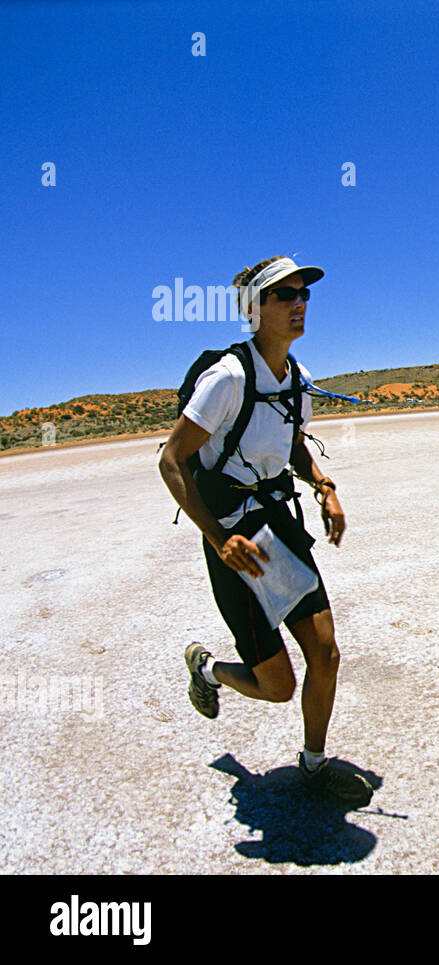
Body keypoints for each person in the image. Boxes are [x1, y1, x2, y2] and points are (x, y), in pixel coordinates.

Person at [158, 255, 371, 804]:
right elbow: (172, 460)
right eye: (285, 295)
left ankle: (314, 765)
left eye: (304, 294)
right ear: (254, 309)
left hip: (278, 526)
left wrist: (324, 486)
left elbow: (292, 443)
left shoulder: (296, 379)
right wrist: (217, 537)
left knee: (324, 651)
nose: (299, 303)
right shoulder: (227, 378)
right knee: (278, 686)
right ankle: (207, 668)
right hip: (235, 536)